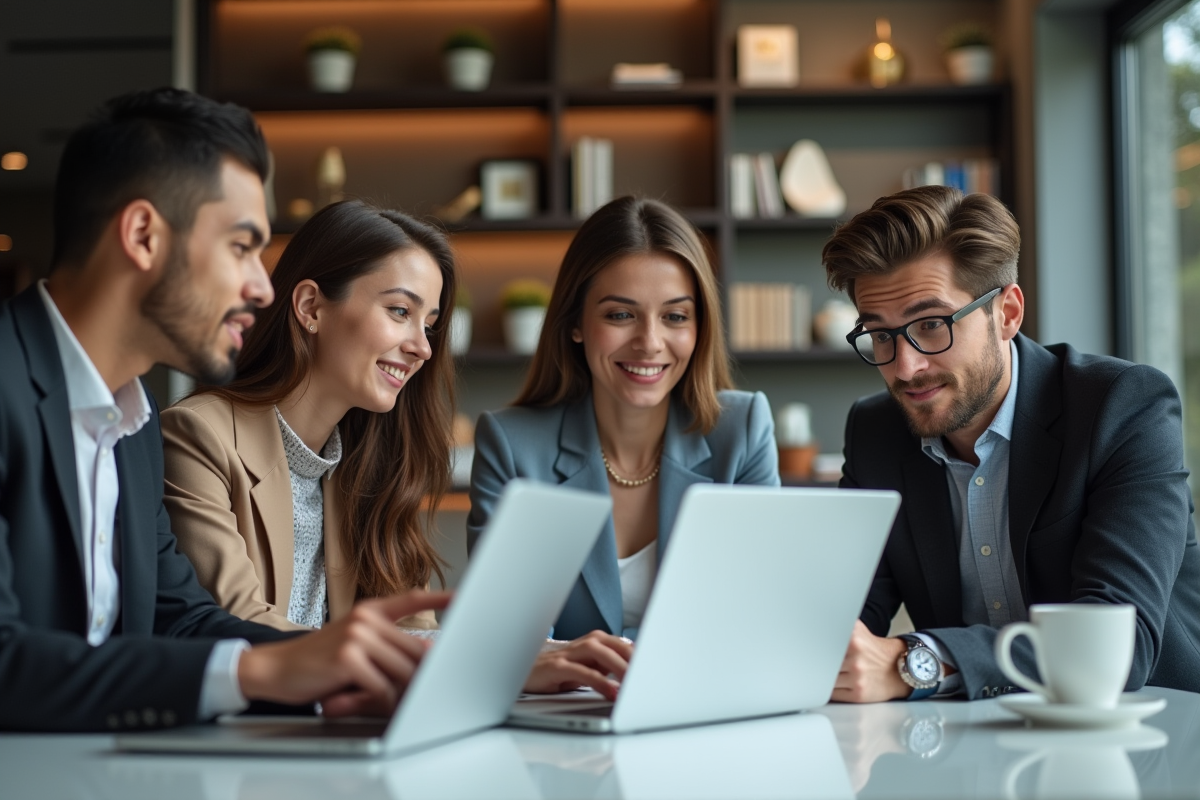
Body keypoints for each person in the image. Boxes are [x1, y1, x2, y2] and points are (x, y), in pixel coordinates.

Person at [0, 88, 451, 732]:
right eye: (242, 246)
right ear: (143, 235)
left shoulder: (135, 424)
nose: (261, 286)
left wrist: (352, 663)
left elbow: (179, 619)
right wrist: (259, 672)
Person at [162, 199, 631, 699]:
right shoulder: (198, 436)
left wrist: (516, 654)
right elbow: (239, 631)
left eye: (428, 324)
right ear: (310, 308)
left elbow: (410, 626)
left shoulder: (370, 460)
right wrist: (486, 664)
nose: (423, 347)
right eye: (400, 312)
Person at [824, 185, 1200, 702]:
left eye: (932, 325)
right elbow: (842, 618)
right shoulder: (875, 432)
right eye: (881, 334)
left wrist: (921, 662)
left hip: (1147, 741)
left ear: (1008, 312)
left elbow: (1118, 642)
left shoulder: (1124, 406)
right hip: (969, 747)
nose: (906, 367)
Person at [468, 196, 780, 641]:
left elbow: (761, 612)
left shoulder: (742, 430)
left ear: (700, 327)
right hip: (567, 706)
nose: (650, 342)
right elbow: (501, 634)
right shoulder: (512, 446)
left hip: (704, 706)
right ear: (575, 322)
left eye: (675, 316)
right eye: (620, 315)